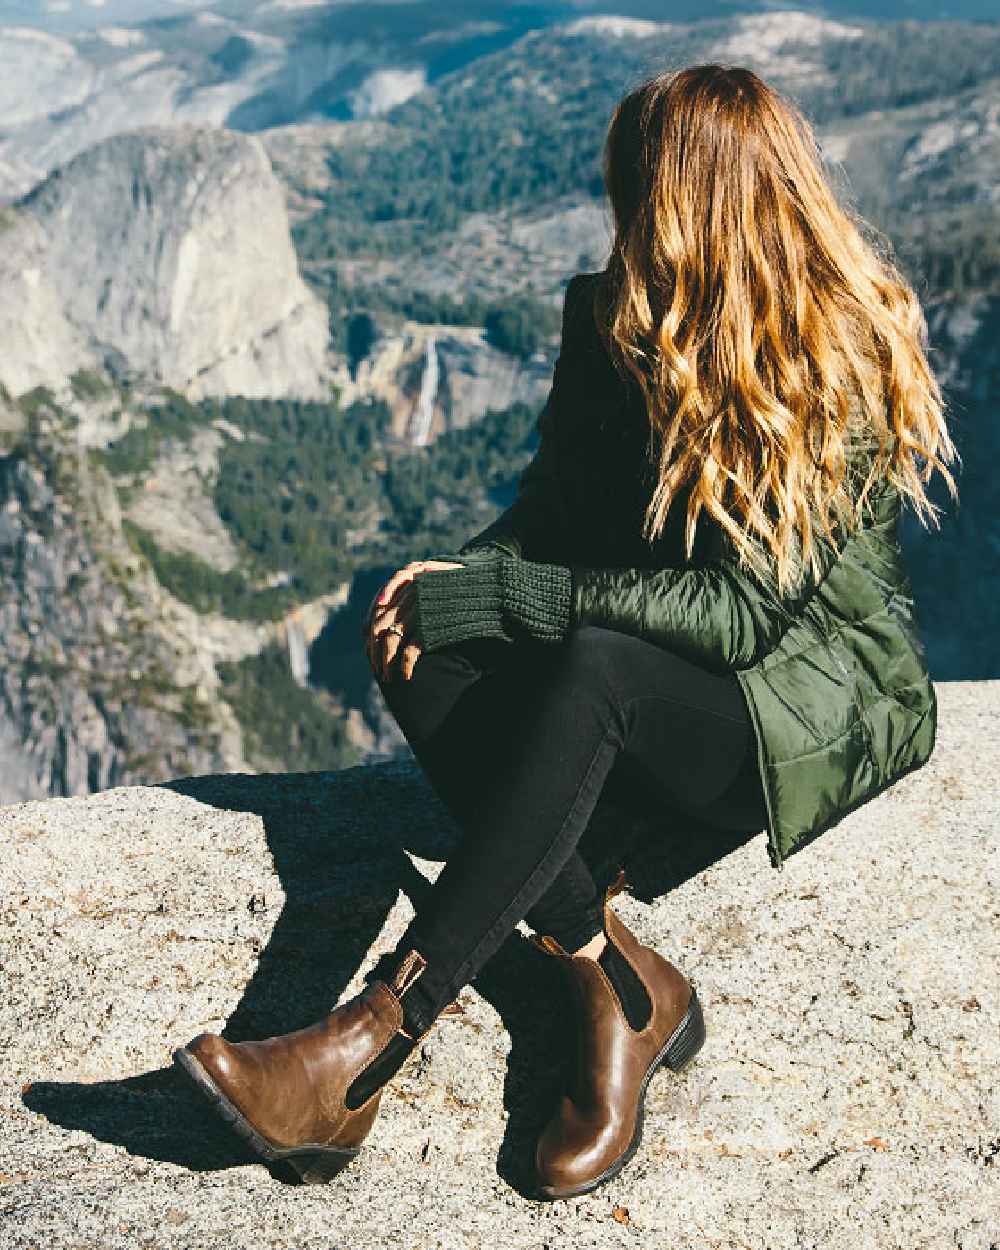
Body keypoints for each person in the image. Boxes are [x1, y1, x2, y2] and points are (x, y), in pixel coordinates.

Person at [173, 63, 958, 1199]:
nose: (615, 214)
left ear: (689, 200)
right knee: (415, 629)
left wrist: (517, 600)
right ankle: (617, 980)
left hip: (792, 702)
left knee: (592, 666)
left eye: (633, 191)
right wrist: (465, 578)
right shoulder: (614, 310)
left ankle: (367, 1042)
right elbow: (553, 510)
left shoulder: (830, 345)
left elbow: (744, 615)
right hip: (647, 655)